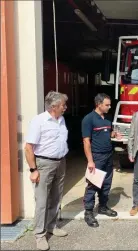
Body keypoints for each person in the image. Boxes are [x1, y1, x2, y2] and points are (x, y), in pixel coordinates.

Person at [25, 91, 69, 251]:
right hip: (44, 164)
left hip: (61, 162)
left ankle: (52, 226)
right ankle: (39, 235)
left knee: (57, 196)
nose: (65, 108)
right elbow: (28, 148)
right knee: (42, 201)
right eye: (63, 105)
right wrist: (33, 170)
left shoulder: (61, 119)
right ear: (54, 106)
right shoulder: (39, 121)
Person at [81, 93, 121, 228]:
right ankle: (88, 212)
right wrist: (90, 161)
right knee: (93, 184)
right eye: (107, 105)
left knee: (107, 183)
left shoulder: (107, 118)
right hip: (97, 157)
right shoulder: (89, 119)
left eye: (109, 104)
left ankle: (103, 206)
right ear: (98, 104)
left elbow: (108, 133)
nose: (109, 107)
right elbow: (86, 142)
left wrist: (114, 134)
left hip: (109, 155)